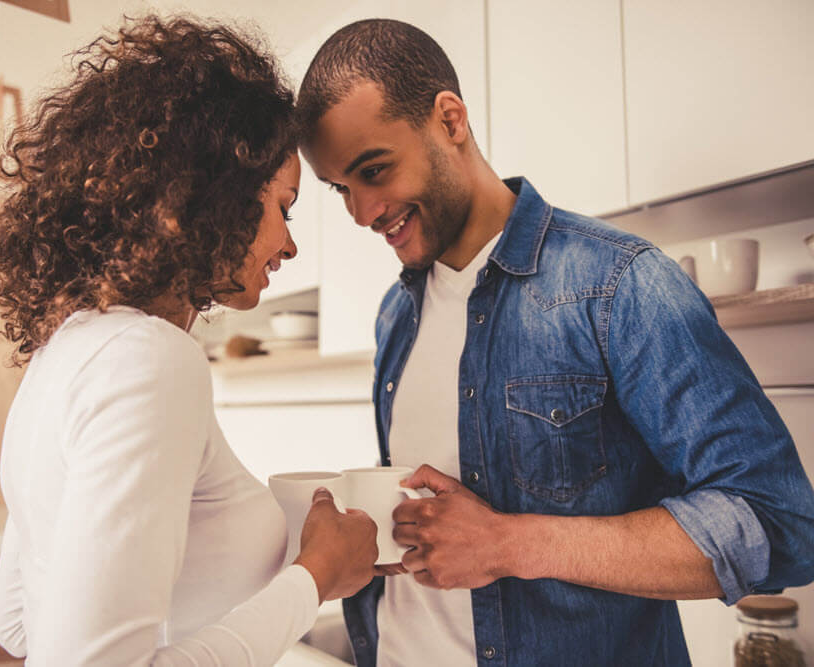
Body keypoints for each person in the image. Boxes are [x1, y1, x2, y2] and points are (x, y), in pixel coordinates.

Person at [295, 18, 814, 666]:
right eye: (342, 188)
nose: (362, 212)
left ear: (450, 120)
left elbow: (779, 523)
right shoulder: (394, 315)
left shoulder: (619, 283)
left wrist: (509, 542)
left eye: (375, 170)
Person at [0, 14, 378, 666]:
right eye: (284, 205)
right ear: (214, 196)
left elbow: (19, 625)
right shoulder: (151, 360)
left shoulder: (63, 352)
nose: (291, 242)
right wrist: (316, 576)